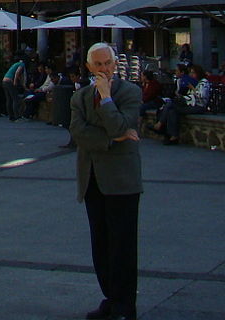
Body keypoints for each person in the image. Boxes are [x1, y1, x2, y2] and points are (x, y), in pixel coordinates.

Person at [70, 42, 141, 320]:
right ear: (89, 67)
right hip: (92, 180)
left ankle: (125, 306)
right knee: (100, 244)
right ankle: (110, 298)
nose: (103, 69)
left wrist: (107, 99)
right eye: (97, 65)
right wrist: (112, 139)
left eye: (107, 64)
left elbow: (123, 126)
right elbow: (78, 132)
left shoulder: (130, 93)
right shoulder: (80, 97)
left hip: (122, 181)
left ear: (115, 65)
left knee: (122, 245)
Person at [154, 64, 211, 145]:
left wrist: (193, 88)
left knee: (171, 105)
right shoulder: (197, 82)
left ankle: (160, 123)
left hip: (198, 106)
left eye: (193, 73)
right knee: (172, 111)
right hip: (191, 103)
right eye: (191, 73)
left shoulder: (204, 82)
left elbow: (202, 95)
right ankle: (172, 135)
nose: (191, 75)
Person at [2, 55, 27, 121]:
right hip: (10, 81)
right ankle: (17, 116)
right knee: (15, 98)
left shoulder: (15, 64)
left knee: (9, 99)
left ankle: (11, 116)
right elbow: (17, 73)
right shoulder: (22, 64)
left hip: (4, 80)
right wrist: (15, 82)